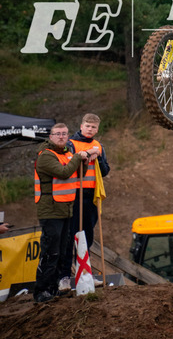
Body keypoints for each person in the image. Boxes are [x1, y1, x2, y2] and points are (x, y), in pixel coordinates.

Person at [33, 123, 89, 303]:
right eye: (57, 134)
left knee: (63, 251)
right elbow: (64, 173)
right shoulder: (46, 156)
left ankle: (53, 288)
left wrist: (84, 161)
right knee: (51, 252)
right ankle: (42, 290)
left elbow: (78, 174)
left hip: (66, 209)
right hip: (50, 210)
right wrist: (78, 157)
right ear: (50, 136)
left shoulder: (67, 153)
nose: (61, 137)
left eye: (64, 134)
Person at [60, 113, 110, 291]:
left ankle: (85, 274)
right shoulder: (70, 144)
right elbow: (66, 168)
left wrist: (98, 158)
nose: (90, 129)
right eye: (87, 126)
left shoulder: (99, 146)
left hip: (91, 196)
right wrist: (86, 156)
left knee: (87, 237)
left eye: (93, 127)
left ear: (97, 129)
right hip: (74, 194)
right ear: (81, 126)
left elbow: (105, 171)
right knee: (70, 237)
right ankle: (64, 277)